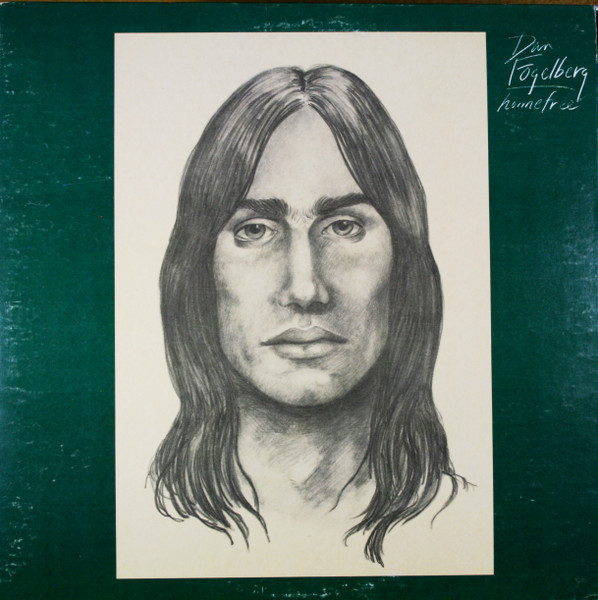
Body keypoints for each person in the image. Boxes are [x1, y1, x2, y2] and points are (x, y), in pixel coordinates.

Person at [150, 65, 464, 566]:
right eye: (255, 230)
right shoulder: (145, 525)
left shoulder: (462, 523)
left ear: (403, 261)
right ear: (198, 271)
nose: (304, 289)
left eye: (343, 226)